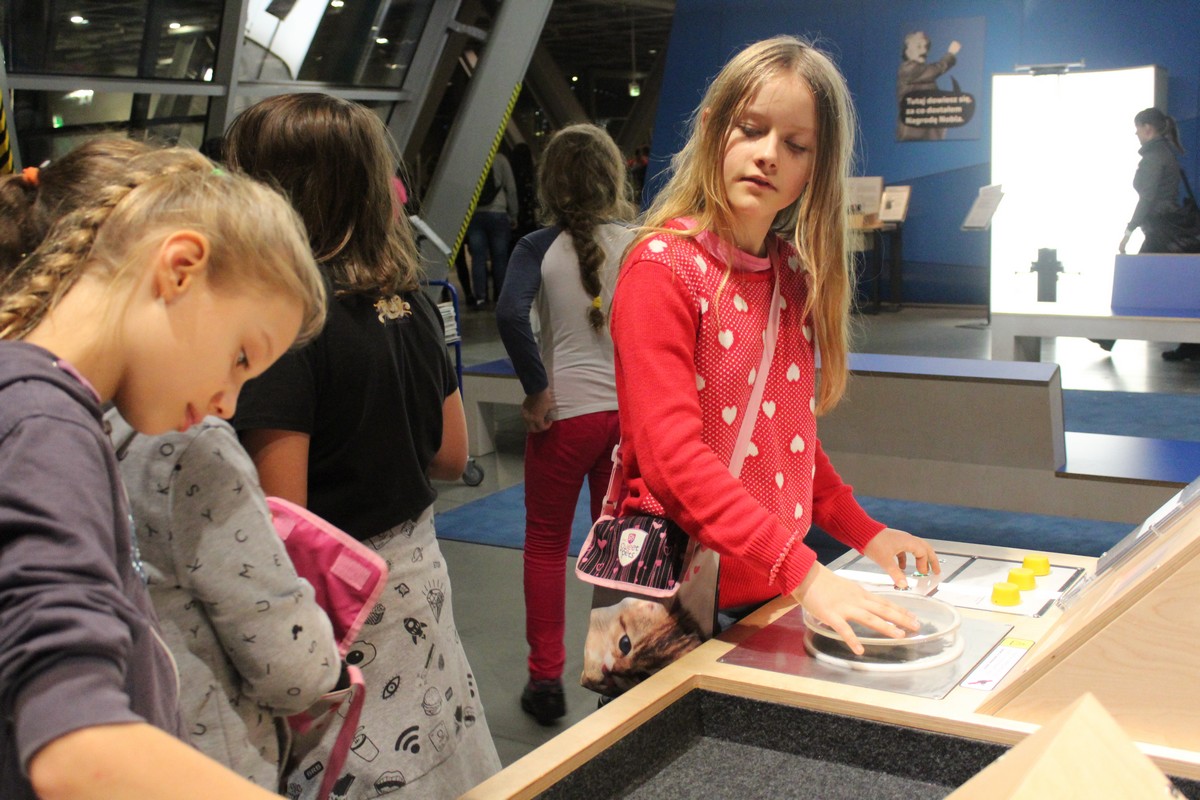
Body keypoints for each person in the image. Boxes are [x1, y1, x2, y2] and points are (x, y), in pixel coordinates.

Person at [0, 143, 327, 800]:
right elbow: (79, 747)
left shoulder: (46, 410)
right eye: (241, 356)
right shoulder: (42, 424)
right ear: (180, 269)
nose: (227, 404)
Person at [610, 35, 941, 656]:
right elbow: (671, 460)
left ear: (815, 167)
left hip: (771, 590)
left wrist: (865, 534)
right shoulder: (663, 268)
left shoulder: (791, 274)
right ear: (712, 128)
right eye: (751, 129)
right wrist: (806, 572)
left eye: (795, 145)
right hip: (679, 594)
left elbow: (788, 442)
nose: (768, 156)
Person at [224, 92, 501, 799]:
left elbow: (286, 524)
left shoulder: (288, 324)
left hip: (341, 613)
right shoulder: (408, 300)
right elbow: (450, 454)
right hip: (420, 584)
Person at [105, 410, 343, 789]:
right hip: (217, 768)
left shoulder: (48, 434)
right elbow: (295, 672)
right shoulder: (192, 447)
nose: (231, 402)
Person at [495, 124, 636, 726]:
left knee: (547, 545)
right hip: (625, 421)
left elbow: (510, 315)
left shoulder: (536, 247)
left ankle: (545, 680)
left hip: (563, 419)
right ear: (612, 177)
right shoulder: (640, 242)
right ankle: (616, 668)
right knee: (618, 547)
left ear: (550, 182)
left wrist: (537, 389)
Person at [1116, 108, 1196, 360]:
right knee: (1182, 289)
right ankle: (1191, 345)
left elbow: (1147, 198)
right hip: (1167, 230)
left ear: (1147, 128)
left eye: (1138, 128)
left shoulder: (1153, 157)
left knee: (1135, 283)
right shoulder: (1164, 152)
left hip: (1162, 231)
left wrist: (1129, 229)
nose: (1136, 133)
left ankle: (1107, 335)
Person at [466, 149, 519, 308]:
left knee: (478, 258)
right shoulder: (500, 159)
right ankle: (501, 297)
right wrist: (514, 214)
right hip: (498, 213)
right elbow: (511, 188)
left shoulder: (471, 160)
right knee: (500, 258)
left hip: (475, 214)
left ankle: (480, 297)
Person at [896, 31, 962, 142]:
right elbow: (938, 69)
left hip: (928, 135)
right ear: (906, 51)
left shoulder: (922, 74)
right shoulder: (908, 69)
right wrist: (951, 53)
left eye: (926, 47)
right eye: (918, 46)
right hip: (912, 135)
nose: (924, 51)